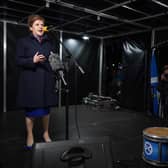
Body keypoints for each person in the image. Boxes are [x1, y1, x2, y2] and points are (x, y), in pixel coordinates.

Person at [16, 15, 57, 148]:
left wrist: (55, 62)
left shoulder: (48, 42)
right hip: (30, 82)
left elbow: (52, 59)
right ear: (30, 27)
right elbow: (18, 61)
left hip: (46, 81)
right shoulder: (23, 42)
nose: (40, 27)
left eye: (42, 24)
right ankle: (30, 134)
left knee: (46, 111)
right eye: (37, 24)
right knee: (31, 111)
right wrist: (31, 61)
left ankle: (45, 133)